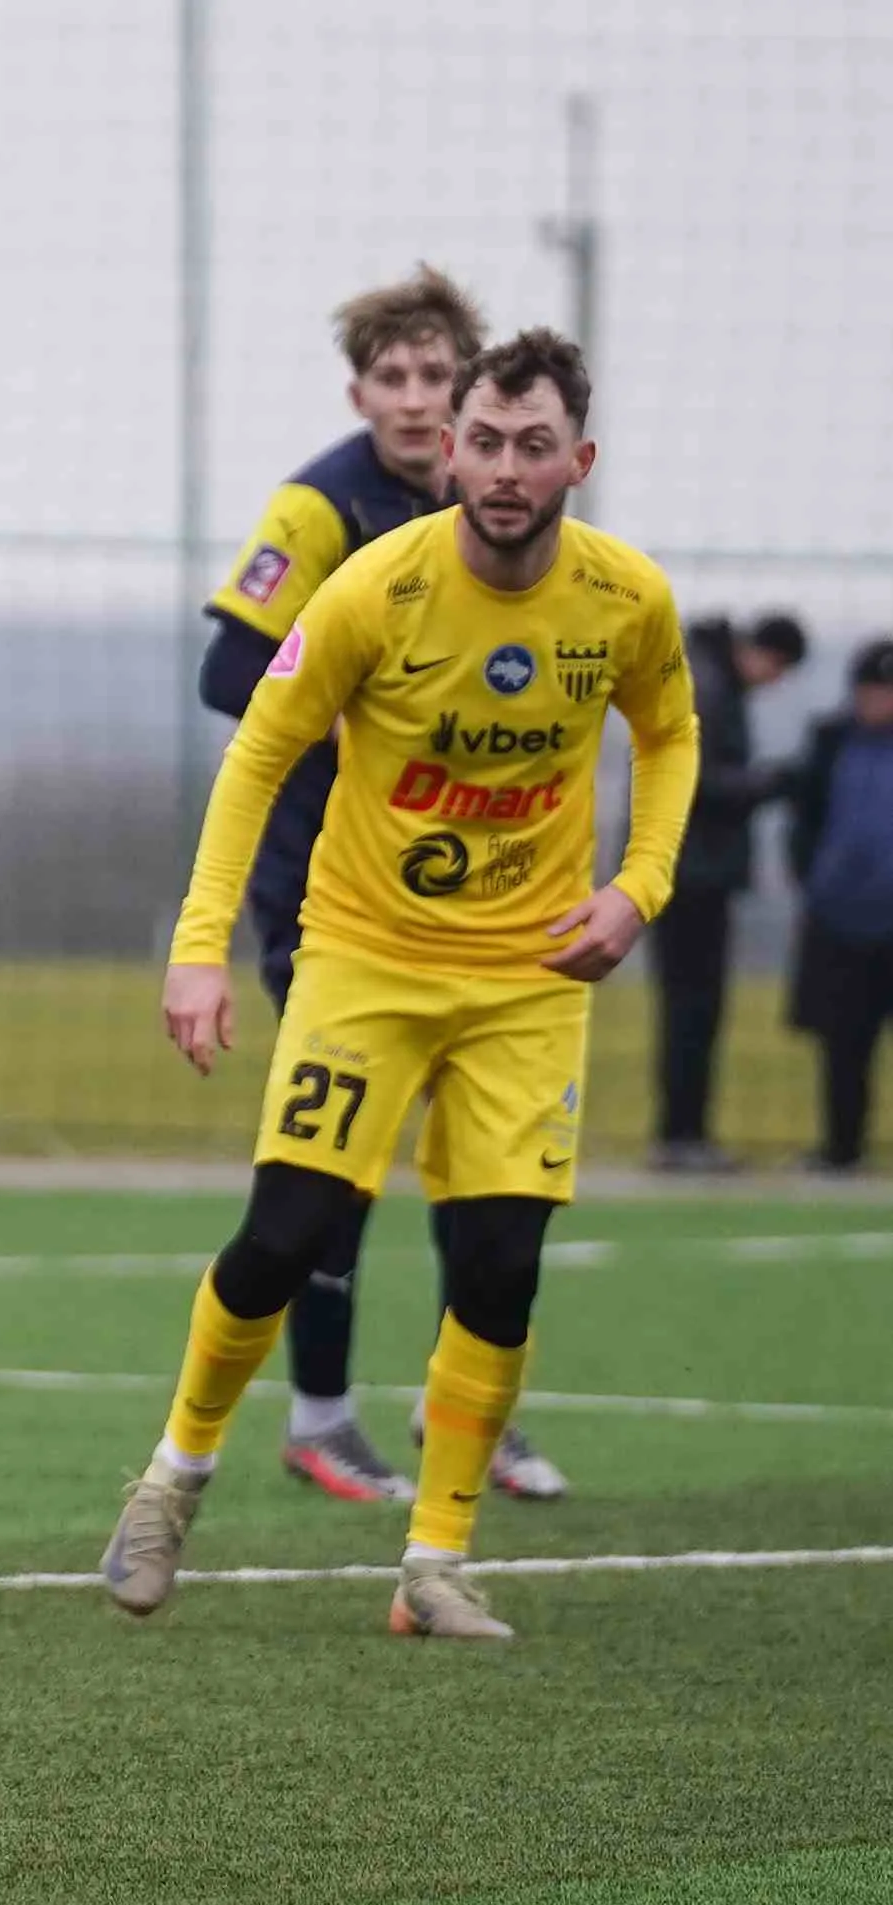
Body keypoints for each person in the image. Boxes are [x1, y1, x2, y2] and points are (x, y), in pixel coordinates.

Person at [100, 331, 696, 1643]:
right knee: (287, 1233)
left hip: (528, 980)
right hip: (363, 960)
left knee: (500, 1265)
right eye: (484, 441)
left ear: (578, 461)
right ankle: (170, 1480)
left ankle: (434, 1563)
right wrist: (199, 946)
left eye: (532, 445)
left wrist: (634, 889)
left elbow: (667, 733)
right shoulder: (376, 587)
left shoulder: (625, 598)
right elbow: (256, 753)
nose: (503, 467)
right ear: (450, 456)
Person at [194, 267, 561, 1506]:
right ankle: (321, 1417)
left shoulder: (500, 517)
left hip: (480, 901)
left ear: (471, 392)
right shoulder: (320, 509)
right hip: (327, 886)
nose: (414, 399)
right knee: (334, 1166)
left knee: (487, 1162)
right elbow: (226, 675)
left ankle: (474, 1411)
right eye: (391, 377)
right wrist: (370, 710)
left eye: (435, 376)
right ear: (359, 393)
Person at [650, 611, 809, 1170]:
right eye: (779, 668)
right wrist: (773, 782)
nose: (775, 682)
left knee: (692, 1009)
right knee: (693, 1010)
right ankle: (682, 1136)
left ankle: (684, 1134)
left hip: (688, 872)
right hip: (691, 875)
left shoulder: (706, 679)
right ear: (762, 652)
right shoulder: (712, 689)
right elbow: (695, 780)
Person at [785, 638, 893, 1172]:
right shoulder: (829, 741)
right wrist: (814, 882)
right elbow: (804, 820)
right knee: (843, 1041)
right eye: (870, 691)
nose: (878, 703)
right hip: (839, 917)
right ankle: (841, 1148)